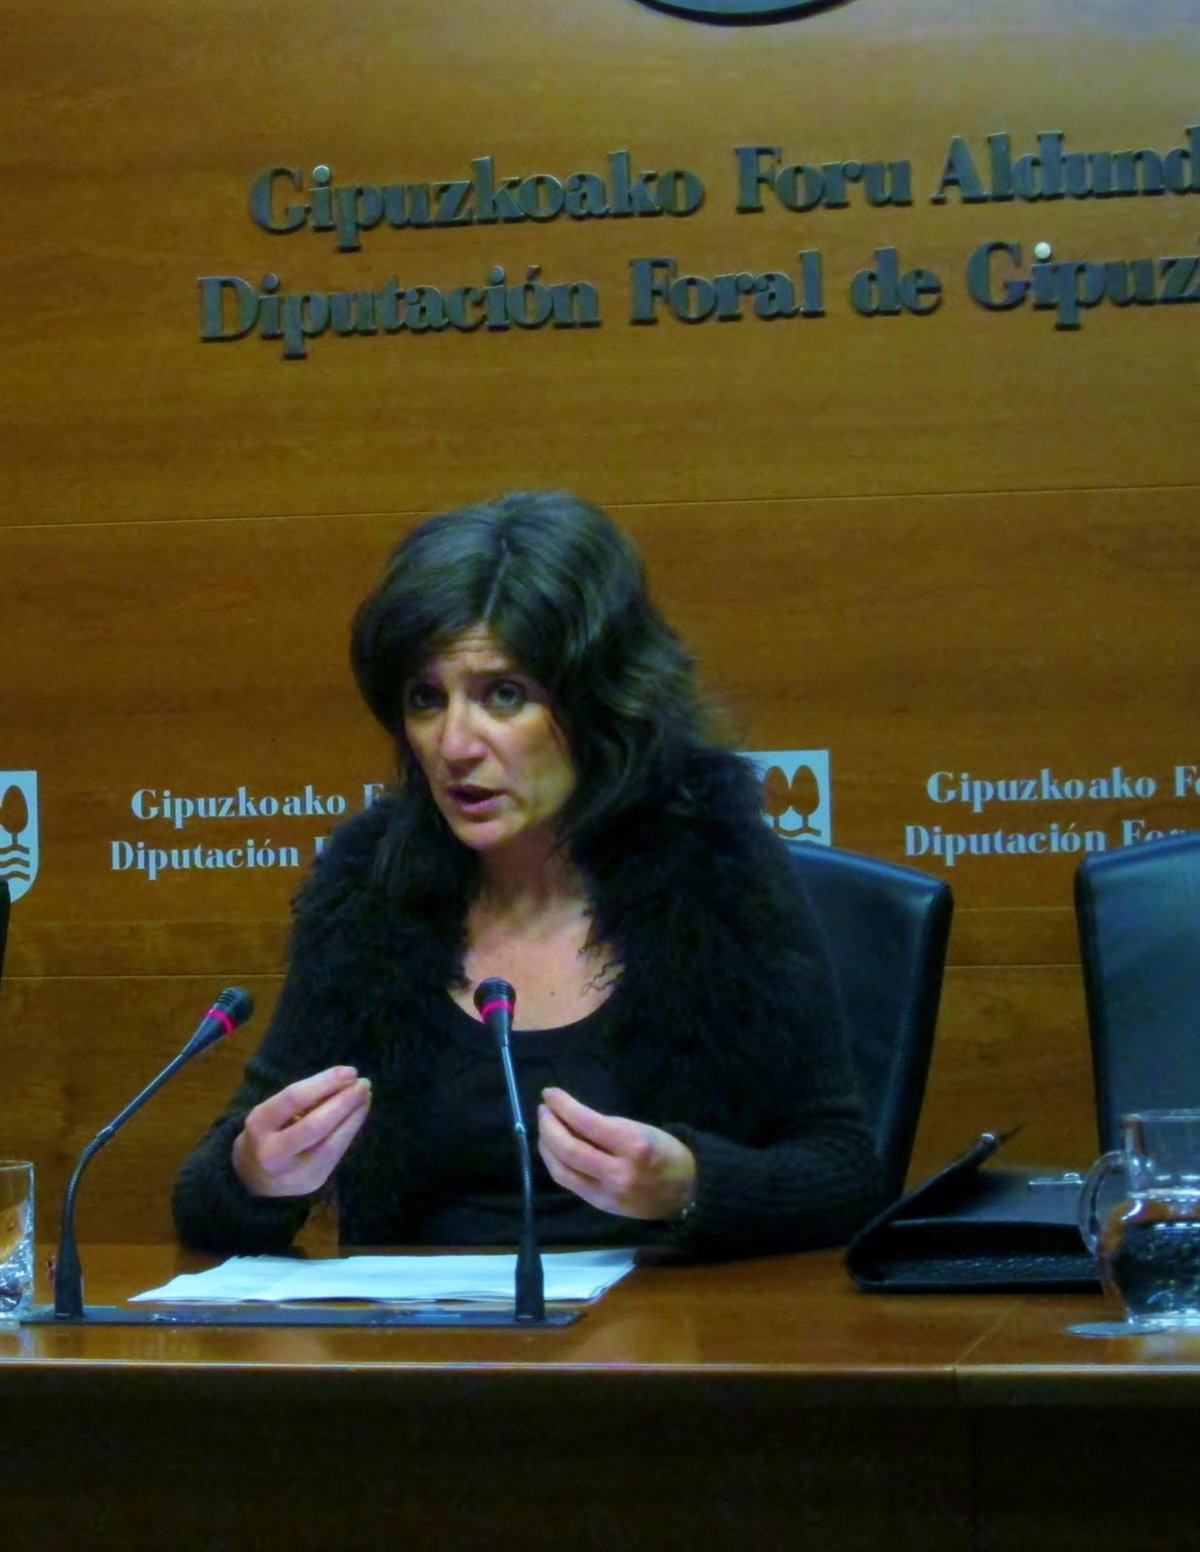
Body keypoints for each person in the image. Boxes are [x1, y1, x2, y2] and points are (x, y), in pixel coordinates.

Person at [173, 490, 879, 1259]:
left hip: (661, 1320)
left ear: (598, 702)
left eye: (503, 695)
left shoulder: (716, 869)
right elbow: (209, 1198)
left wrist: (692, 1186)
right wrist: (254, 1176)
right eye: (425, 699)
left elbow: (844, 1170)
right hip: (423, 1329)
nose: (454, 745)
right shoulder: (374, 892)